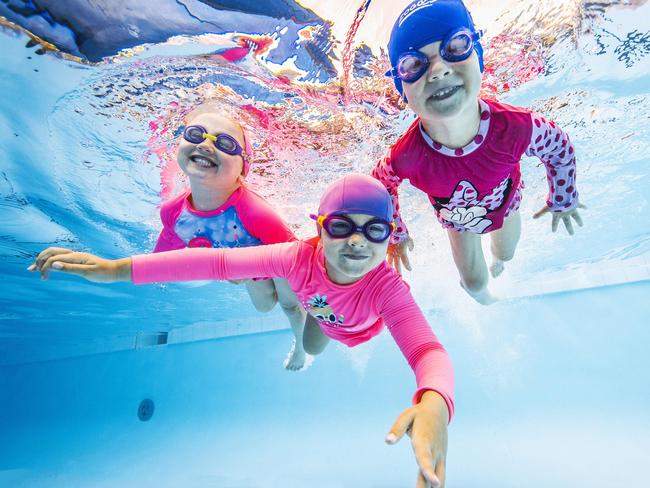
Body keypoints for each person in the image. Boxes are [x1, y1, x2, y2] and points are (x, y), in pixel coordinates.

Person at [30, 174, 454, 488]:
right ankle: (303, 348)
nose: (357, 242)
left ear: (388, 237)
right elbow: (216, 263)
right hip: (323, 320)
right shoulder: (295, 258)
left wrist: (435, 402)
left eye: (374, 230)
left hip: (361, 327)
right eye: (341, 226)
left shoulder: (387, 289)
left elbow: (427, 352)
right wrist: (117, 269)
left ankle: (308, 340)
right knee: (310, 341)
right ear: (320, 226)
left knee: (317, 332)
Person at [373, 0, 586, 304]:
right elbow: (380, 184)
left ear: (479, 56)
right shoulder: (406, 155)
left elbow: (559, 146)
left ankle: (499, 264)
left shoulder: (516, 126)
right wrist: (396, 233)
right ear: (401, 87)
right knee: (473, 283)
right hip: (457, 221)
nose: (438, 70)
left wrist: (563, 198)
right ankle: (489, 303)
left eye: (455, 46)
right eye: (412, 65)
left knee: (505, 253)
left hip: (507, 205)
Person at [155, 103, 308, 370]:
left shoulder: (257, 213)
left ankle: (301, 347)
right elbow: (161, 261)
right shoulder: (173, 212)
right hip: (249, 267)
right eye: (195, 134)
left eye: (225, 144)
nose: (205, 145)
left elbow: (295, 256)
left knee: (289, 305)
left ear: (243, 168)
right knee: (263, 307)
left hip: (279, 260)